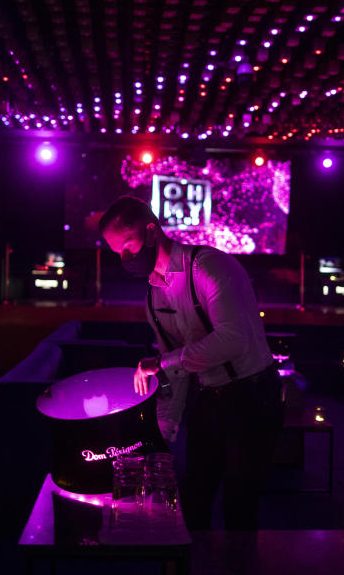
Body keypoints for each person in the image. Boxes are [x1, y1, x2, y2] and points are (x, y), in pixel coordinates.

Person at [99, 195, 284, 530]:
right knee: (193, 498)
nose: (125, 258)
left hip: (254, 395)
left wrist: (161, 362)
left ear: (152, 231)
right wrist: (165, 428)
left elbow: (233, 340)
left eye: (128, 245)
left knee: (239, 504)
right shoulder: (153, 295)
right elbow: (179, 370)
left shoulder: (209, 266)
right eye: (118, 253)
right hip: (210, 396)